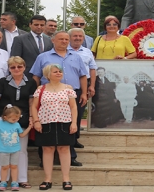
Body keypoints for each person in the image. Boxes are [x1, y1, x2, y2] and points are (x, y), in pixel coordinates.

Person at [30, 31, 88, 167]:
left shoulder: (76, 57)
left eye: (66, 39)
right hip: (48, 95)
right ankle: (44, 158)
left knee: (71, 125)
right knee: (47, 126)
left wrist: (84, 93)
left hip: (72, 94)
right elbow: (36, 77)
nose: (64, 41)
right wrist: (37, 94)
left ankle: (71, 156)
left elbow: (83, 76)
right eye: (61, 39)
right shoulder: (43, 57)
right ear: (53, 40)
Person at [0, 57, 37, 189]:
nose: (16, 69)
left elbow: (31, 102)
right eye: (13, 67)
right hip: (1, 118)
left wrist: (31, 117)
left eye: (19, 66)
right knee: (2, 148)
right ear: (9, 69)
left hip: (20, 118)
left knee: (21, 149)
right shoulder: (3, 82)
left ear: (24, 67)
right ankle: (2, 178)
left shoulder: (30, 82)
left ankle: (21, 179)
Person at [30, 64, 78, 191]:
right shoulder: (41, 89)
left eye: (60, 71)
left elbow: (73, 107)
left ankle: (66, 179)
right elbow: (34, 107)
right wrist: (36, 121)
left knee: (64, 149)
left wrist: (74, 123)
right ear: (48, 75)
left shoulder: (68, 88)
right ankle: (47, 179)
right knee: (47, 149)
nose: (58, 73)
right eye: (55, 72)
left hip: (64, 122)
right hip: (45, 122)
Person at [0, 107, 32, 192]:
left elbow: (22, 135)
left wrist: (29, 128)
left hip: (15, 150)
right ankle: (3, 182)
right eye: (13, 119)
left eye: (17, 118)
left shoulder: (17, 124)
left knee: (14, 166)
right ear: (5, 117)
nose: (16, 120)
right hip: (3, 150)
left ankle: (14, 182)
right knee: (4, 167)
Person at [67, 28, 97, 148]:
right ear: (70, 38)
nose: (77, 38)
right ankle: (68, 139)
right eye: (75, 36)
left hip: (82, 87)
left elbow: (92, 69)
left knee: (79, 113)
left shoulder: (87, 52)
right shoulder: (64, 51)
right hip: (67, 87)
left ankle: (75, 139)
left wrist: (92, 86)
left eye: (80, 36)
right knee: (67, 114)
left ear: (83, 38)